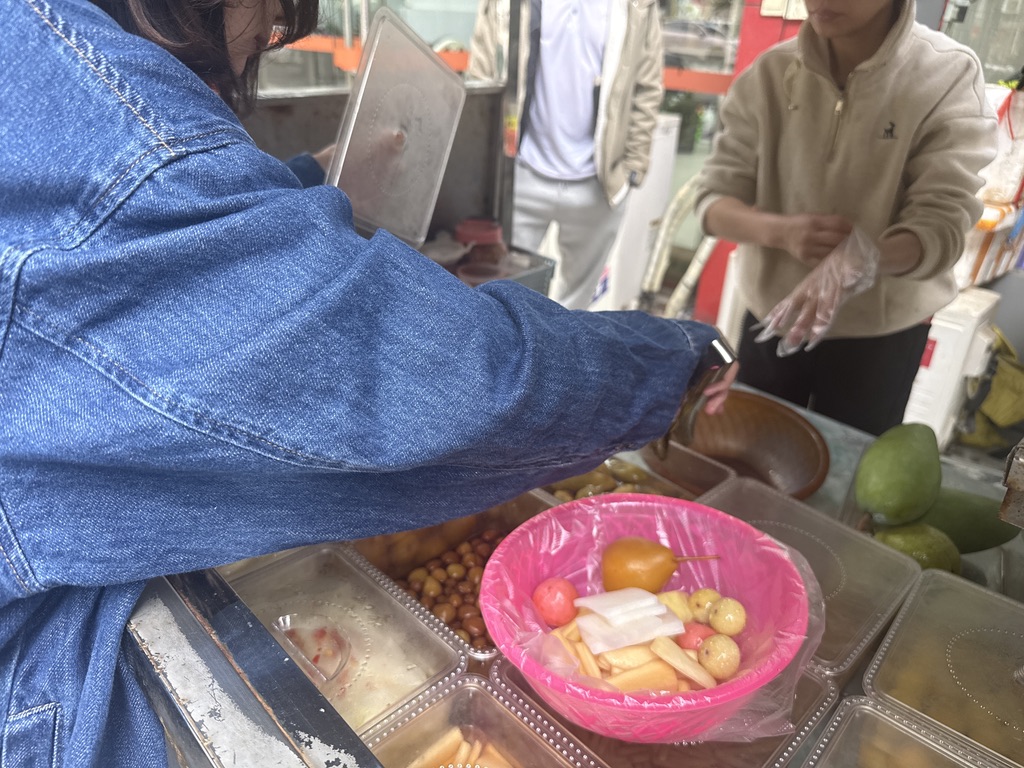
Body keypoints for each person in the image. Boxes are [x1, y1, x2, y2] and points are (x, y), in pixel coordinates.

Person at [0, 1, 735, 765]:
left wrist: (302, 185)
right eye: (278, 13)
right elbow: (450, 385)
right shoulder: (106, 121)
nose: (275, 34)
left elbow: (151, 261)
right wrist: (672, 361)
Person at [694, 0, 997, 435]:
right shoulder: (769, 74)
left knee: (854, 476)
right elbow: (713, 201)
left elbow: (943, 224)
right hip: (773, 317)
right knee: (749, 456)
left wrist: (867, 257)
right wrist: (780, 232)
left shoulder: (945, 75)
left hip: (881, 332)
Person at [467, 0, 664, 310]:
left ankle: (560, 357)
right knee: (500, 300)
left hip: (599, 185)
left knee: (575, 307)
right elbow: (483, 72)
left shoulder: (636, 5)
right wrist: (484, 165)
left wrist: (632, 168)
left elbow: (647, 86)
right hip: (520, 176)